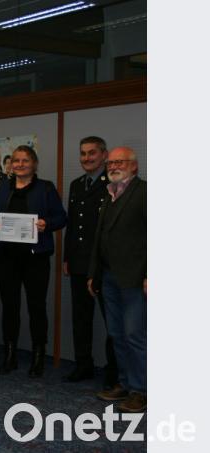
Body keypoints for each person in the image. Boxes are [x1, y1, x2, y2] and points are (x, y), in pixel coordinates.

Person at [0, 145, 67, 378]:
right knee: (10, 307)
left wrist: (47, 224)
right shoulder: (1, 187)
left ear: (34, 164)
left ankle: (38, 356)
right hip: (7, 257)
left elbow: (61, 218)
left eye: (25, 160)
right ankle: (10, 354)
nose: (20, 164)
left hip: (36, 258)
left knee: (37, 307)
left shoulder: (45, 188)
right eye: (16, 160)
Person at [88, 147, 146, 413]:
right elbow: (99, 237)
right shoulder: (109, 194)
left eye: (119, 162)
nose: (113, 166)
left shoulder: (145, 193)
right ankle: (124, 383)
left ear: (134, 166)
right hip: (109, 277)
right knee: (117, 334)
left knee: (135, 336)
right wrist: (93, 273)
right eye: (110, 163)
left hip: (135, 280)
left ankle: (141, 391)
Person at [63, 136, 118, 387]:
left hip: (106, 265)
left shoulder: (115, 184)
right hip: (79, 262)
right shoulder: (77, 185)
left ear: (104, 155)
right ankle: (83, 364)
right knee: (80, 318)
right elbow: (74, 225)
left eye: (92, 153)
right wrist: (67, 257)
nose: (87, 158)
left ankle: (113, 370)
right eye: (83, 154)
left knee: (112, 321)